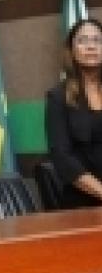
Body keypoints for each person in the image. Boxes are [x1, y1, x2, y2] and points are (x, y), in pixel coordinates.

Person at [45, 17, 102, 208]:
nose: (91, 46)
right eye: (83, 40)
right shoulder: (58, 97)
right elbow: (62, 157)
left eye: (97, 40)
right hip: (83, 202)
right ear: (71, 50)